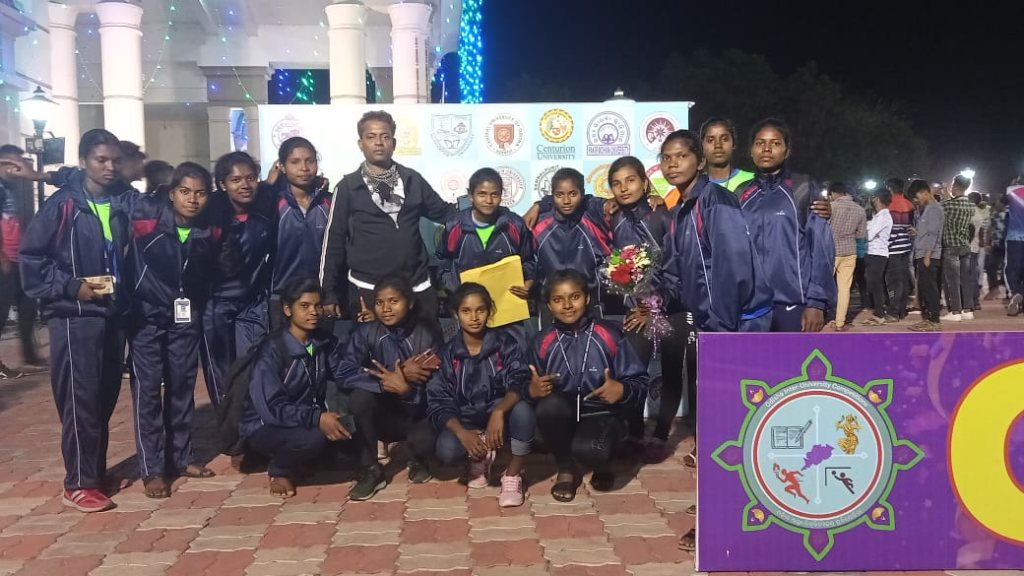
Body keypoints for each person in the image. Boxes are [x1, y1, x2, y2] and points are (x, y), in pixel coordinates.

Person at [654, 131, 774, 554]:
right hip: (713, 324)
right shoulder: (681, 210)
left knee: (730, 426)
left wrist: (720, 331)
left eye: (681, 156)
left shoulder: (715, 202)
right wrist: (647, 292)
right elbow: (675, 272)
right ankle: (720, 503)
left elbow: (735, 270)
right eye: (666, 158)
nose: (673, 164)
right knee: (715, 423)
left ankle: (721, 519)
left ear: (699, 161)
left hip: (737, 326)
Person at [20, 129, 131, 512]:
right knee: (79, 399)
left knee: (103, 399)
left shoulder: (121, 202)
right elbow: (31, 258)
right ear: (84, 161)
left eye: (115, 160)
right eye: (101, 159)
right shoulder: (63, 205)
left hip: (112, 314)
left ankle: (95, 472)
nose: (109, 166)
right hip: (74, 318)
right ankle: (78, 484)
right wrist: (70, 287)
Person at [127, 162, 221, 499]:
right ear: (171, 194)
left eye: (200, 193)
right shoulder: (146, 218)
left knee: (182, 386)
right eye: (185, 192)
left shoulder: (210, 230)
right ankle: (152, 468)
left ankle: (181, 457)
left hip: (185, 316)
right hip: (146, 317)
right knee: (149, 390)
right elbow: (116, 194)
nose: (192, 200)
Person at [320, 111, 456, 336]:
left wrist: (483, 209)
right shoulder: (347, 187)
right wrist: (328, 292)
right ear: (360, 143)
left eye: (385, 136)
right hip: (368, 287)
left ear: (394, 142)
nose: (378, 142)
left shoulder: (412, 180)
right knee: (373, 351)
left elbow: (443, 213)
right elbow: (333, 241)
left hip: (416, 285)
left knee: (427, 349)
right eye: (371, 137)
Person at [528, 269, 648, 503]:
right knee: (549, 406)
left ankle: (602, 464)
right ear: (549, 306)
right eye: (558, 300)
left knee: (593, 450)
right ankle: (565, 468)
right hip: (563, 416)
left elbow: (640, 383)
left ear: (587, 298)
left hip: (603, 415)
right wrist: (530, 390)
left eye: (574, 297)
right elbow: (523, 384)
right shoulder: (542, 341)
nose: (567, 306)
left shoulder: (610, 333)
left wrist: (622, 389)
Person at [240, 278, 354, 498]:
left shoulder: (320, 342)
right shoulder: (272, 350)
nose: (313, 312)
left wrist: (385, 378)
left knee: (351, 431)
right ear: (287, 310)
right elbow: (272, 408)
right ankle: (279, 470)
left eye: (317, 306)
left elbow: (345, 372)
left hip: (304, 419)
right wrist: (317, 418)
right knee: (313, 439)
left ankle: (302, 459)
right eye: (304, 306)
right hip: (266, 425)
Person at [334, 274, 440, 501]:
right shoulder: (366, 332)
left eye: (394, 301)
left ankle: (418, 458)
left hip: (416, 413)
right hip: (381, 416)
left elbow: (438, 389)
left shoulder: (427, 335)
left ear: (410, 303)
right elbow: (343, 371)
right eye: (380, 302)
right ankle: (370, 469)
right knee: (360, 397)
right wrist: (387, 381)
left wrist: (407, 390)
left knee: (432, 439)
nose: (386, 309)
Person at [426, 283, 533, 506]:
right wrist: (462, 433)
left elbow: (520, 380)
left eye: (480, 310)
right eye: (466, 311)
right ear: (455, 314)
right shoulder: (447, 354)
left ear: (489, 311)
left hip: (502, 418)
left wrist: (499, 411)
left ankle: (513, 474)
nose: (474, 318)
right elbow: (438, 400)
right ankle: (478, 456)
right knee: (447, 449)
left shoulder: (506, 344)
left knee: (524, 411)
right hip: (467, 421)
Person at [737, 118, 836, 332]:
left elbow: (821, 247)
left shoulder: (802, 187)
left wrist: (817, 302)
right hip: (749, 308)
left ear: (787, 150)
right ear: (751, 151)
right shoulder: (741, 193)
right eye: (760, 143)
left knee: (791, 357)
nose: (766, 149)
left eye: (775, 143)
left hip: (793, 304)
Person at [200, 152, 273, 406]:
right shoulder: (207, 218)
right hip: (215, 307)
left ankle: (251, 422)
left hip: (252, 305)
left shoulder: (265, 213)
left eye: (251, 178)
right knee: (220, 372)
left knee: (252, 367)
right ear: (222, 184)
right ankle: (228, 425)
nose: (245, 185)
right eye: (236, 180)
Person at [531, 168, 612, 324]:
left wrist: (651, 197)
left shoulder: (595, 220)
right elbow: (526, 260)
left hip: (591, 304)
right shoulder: (537, 224)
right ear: (552, 196)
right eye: (559, 195)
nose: (566, 201)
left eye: (573, 194)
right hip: (550, 308)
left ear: (582, 194)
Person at [267, 137, 332, 330]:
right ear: (282, 166)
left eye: (310, 161)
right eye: (295, 162)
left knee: (321, 347)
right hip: (280, 296)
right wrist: (267, 186)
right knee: (282, 347)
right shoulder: (272, 203)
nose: (304, 168)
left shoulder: (329, 202)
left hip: (320, 297)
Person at [436, 168, 533, 297]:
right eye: (482, 194)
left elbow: (528, 259)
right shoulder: (455, 226)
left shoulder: (514, 225)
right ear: (470, 195)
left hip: (506, 301)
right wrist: (454, 290)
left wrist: (528, 281)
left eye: (495, 194)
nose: (488, 200)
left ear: (501, 195)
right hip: (467, 303)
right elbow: (443, 261)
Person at [0, 145, 40, 371]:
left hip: (20, 258)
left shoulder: (15, 188)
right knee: (1, 312)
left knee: (28, 307)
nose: (19, 166)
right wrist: (3, 257)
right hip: (5, 259)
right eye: (15, 161)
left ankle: (30, 355)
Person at [827, 181, 866, 331]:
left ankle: (824, 316)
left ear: (832, 193)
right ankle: (840, 322)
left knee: (824, 285)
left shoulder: (831, 207)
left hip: (831, 251)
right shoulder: (860, 209)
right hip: (850, 251)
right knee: (844, 288)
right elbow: (861, 234)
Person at [908, 180, 943, 331]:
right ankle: (928, 319)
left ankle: (934, 320)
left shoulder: (934, 209)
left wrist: (928, 255)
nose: (917, 200)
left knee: (930, 288)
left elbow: (933, 234)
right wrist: (917, 232)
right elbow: (927, 231)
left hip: (928, 255)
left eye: (917, 197)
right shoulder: (926, 209)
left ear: (925, 192)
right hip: (922, 253)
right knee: (924, 288)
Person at [940, 175, 975, 321]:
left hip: (951, 246)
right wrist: (948, 195)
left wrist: (944, 195)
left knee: (952, 281)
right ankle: (968, 310)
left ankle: (955, 312)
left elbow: (944, 207)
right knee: (965, 280)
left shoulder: (948, 205)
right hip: (965, 245)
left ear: (955, 186)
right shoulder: (971, 205)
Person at [883, 178, 914, 321]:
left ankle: (893, 311)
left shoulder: (891, 205)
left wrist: (885, 245)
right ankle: (901, 310)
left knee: (894, 281)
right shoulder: (908, 204)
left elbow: (893, 230)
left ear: (889, 188)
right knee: (903, 279)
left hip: (893, 249)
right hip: (905, 246)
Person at [862, 189, 893, 326]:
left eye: (874, 198)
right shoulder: (877, 216)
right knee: (874, 283)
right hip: (873, 252)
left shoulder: (884, 216)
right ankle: (879, 311)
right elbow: (868, 231)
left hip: (878, 254)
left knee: (876, 284)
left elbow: (868, 234)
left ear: (879, 199)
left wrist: (869, 232)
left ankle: (880, 314)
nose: (872, 200)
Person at [700, 117, 755, 193]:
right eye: (710, 140)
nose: (718, 145)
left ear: (734, 143)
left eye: (724, 139)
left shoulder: (752, 181)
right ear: (702, 146)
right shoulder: (694, 185)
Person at [983, 193, 1007, 302]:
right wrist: (987, 244)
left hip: (1008, 245)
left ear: (1002, 203)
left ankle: (1009, 292)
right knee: (990, 266)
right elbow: (989, 229)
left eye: (998, 201)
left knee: (1007, 269)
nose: (996, 203)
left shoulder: (1010, 214)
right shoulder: (995, 214)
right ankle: (994, 289)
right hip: (996, 245)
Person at [968, 192, 989, 310]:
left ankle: (970, 301)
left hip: (967, 247)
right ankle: (975, 301)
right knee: (973, 275)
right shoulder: (979, 214)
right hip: (975, 248)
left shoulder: (968, 212)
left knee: (968, 276)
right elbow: (981, 233)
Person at [1007, 178, 1024, 315]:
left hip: (1015, 237)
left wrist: (1013, 184)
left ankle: (1016, 293)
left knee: (1013, 269)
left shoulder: (1012, 190)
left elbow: (1000, 204)